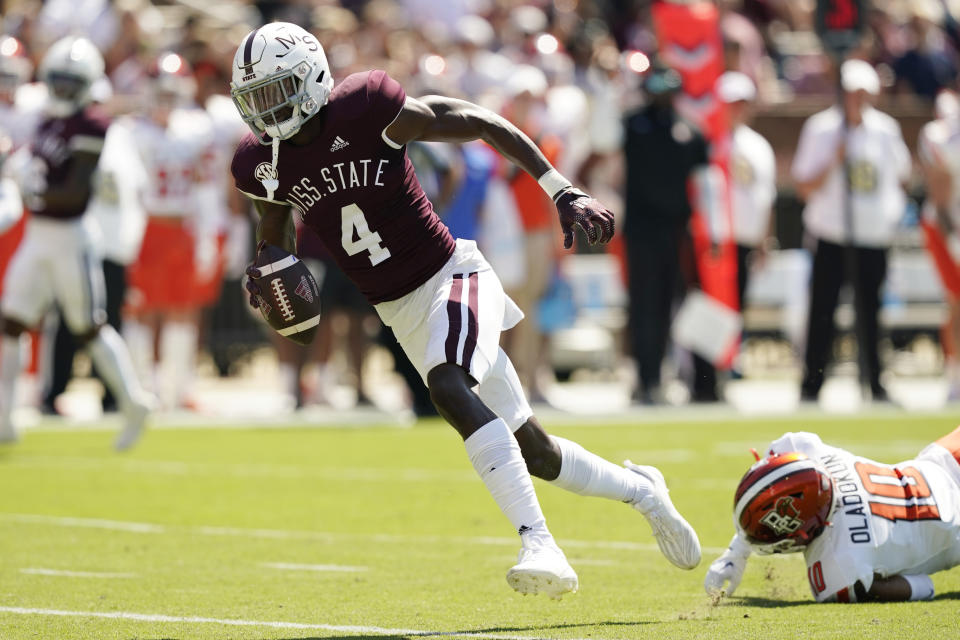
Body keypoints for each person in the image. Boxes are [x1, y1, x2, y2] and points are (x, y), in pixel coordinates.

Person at [231, 22, 700, 598]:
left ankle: (539, 542)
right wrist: (268, 277)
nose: (267, 108)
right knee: (538, 453)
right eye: (255, 98)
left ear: (312, 79)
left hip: (453, 274)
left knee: (448, 388)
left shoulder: (366, 107)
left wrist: (561, 190)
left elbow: (477, 121)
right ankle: (644, 491)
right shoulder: (260, 162)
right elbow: (275, 242)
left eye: (277, 91)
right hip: (397, 309)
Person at [0, 36, 151, 449]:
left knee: (87, 328)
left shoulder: (93, 124)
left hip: (71, 236)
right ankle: (3, 419)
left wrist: (26, 188)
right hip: (38, 234)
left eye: (71, 82)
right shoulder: (46, 118)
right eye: (58, 81)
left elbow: (73, 191)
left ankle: (134, 402)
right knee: (10, 322)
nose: (63, 89)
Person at [704, 427, 960, 603]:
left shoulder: (838, 568)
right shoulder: (806, 450)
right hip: (944, 460)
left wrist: (736, 553)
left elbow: (924, 586)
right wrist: (736, 551)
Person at [792, 59, 911, 404]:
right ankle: (812, 383)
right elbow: (803, 186)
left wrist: (890, 214)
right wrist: (833, 159)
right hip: (831, 233)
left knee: (871, 311)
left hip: (872, 236)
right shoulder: (821, 128)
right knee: (823, 310)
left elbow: (901, 175)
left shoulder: (885, 130)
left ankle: (874, 381)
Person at [122, 52, 220, 410]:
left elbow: (206, 186)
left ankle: (178, 389)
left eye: (171, 93)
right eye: (159, 93)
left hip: (182, 228)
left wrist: (208, 235)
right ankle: (139, 388)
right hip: (145, 227)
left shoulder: (196, 127)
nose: (165, 102)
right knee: (140, 309)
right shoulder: (130, 131)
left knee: (183, 309)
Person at [622, 62, 722, 404]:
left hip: (679, 232)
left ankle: (703, 382)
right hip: (641, 230)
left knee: (684, 304)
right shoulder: (632, 124)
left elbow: (706, 184)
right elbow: (603, 143)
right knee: (643, 306)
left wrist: (714, 232)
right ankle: (646, 377)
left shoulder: (691, 131)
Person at [717, 71, 776, 319]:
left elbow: (765, 197)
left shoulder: (759, 145)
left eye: (742, 103)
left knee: (736, 310)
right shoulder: (711, 140)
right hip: (716, 243)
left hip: (745, 241)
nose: (737, 109)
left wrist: (765, 241)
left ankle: (730, 357)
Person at [916, 89, 960, 400]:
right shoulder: (940, 135)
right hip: (946, 227)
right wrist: (954, 237)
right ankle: (955, 376)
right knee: (957, 302)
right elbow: (940, 193)